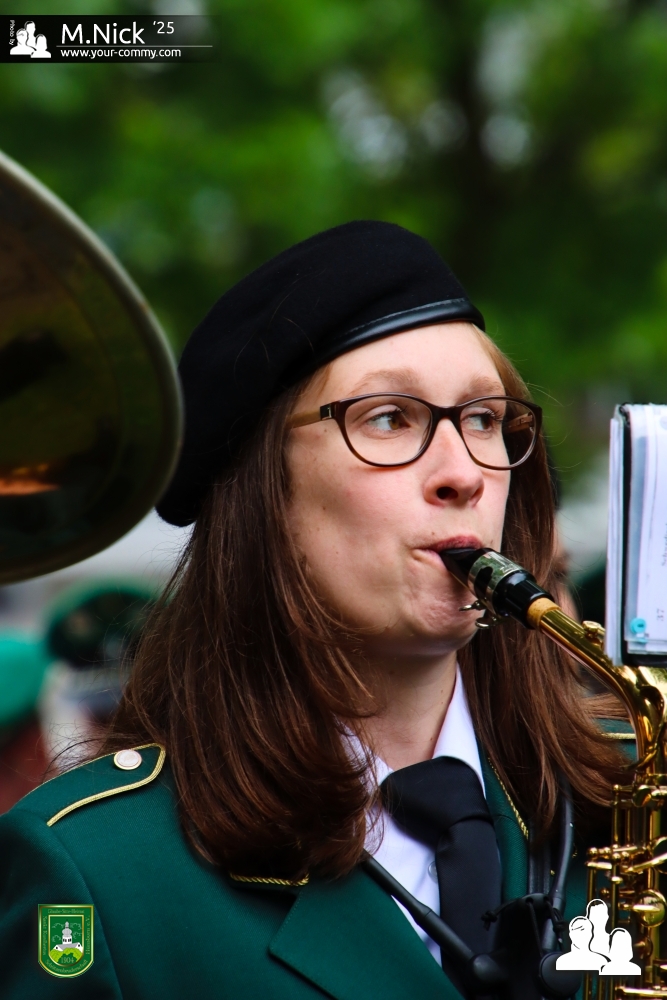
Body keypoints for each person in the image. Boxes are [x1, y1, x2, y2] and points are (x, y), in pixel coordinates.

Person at [0, 221, 624, 998]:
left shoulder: (631, 795)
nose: (464, 472)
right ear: (263, 495)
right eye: (389, 418)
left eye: (484, 419)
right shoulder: (95, 871)